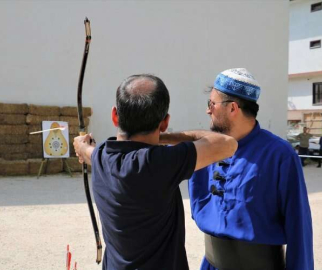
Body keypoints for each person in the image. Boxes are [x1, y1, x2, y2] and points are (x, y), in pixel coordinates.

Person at [74, 74, 237, 270]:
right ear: (165, 123)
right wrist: (162, 136)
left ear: (115, 116)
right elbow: (227, 144)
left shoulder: (101, 156)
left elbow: (86, 151)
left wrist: (82, 146)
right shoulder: (159, 163)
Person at [188, 68, 314, 270]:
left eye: (211, 104)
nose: (208, 110)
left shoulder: (280, 154)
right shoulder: (206, 149)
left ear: (232, 108)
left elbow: (299, 226)